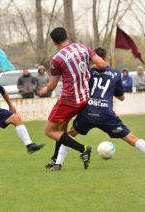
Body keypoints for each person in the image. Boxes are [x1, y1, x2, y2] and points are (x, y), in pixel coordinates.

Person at [50, 48, 145, 171]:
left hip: (87, 113)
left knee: (70, 135)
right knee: (131, 138)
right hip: (106, 115)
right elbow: (121, 97)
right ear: (107, 58)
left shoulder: (87, 72)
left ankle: (58, 164)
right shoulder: (116, 74)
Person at [38, 27, 107, 169]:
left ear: (54, 42)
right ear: (67, 36)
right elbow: (102, 64)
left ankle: (83, 149)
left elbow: (51, 87)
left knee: (50, 131)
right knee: (61, 129)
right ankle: (56, 160)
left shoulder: (57, 60)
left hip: (69, 100)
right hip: (84, 98)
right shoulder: (82, 47)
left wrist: (43, 90)